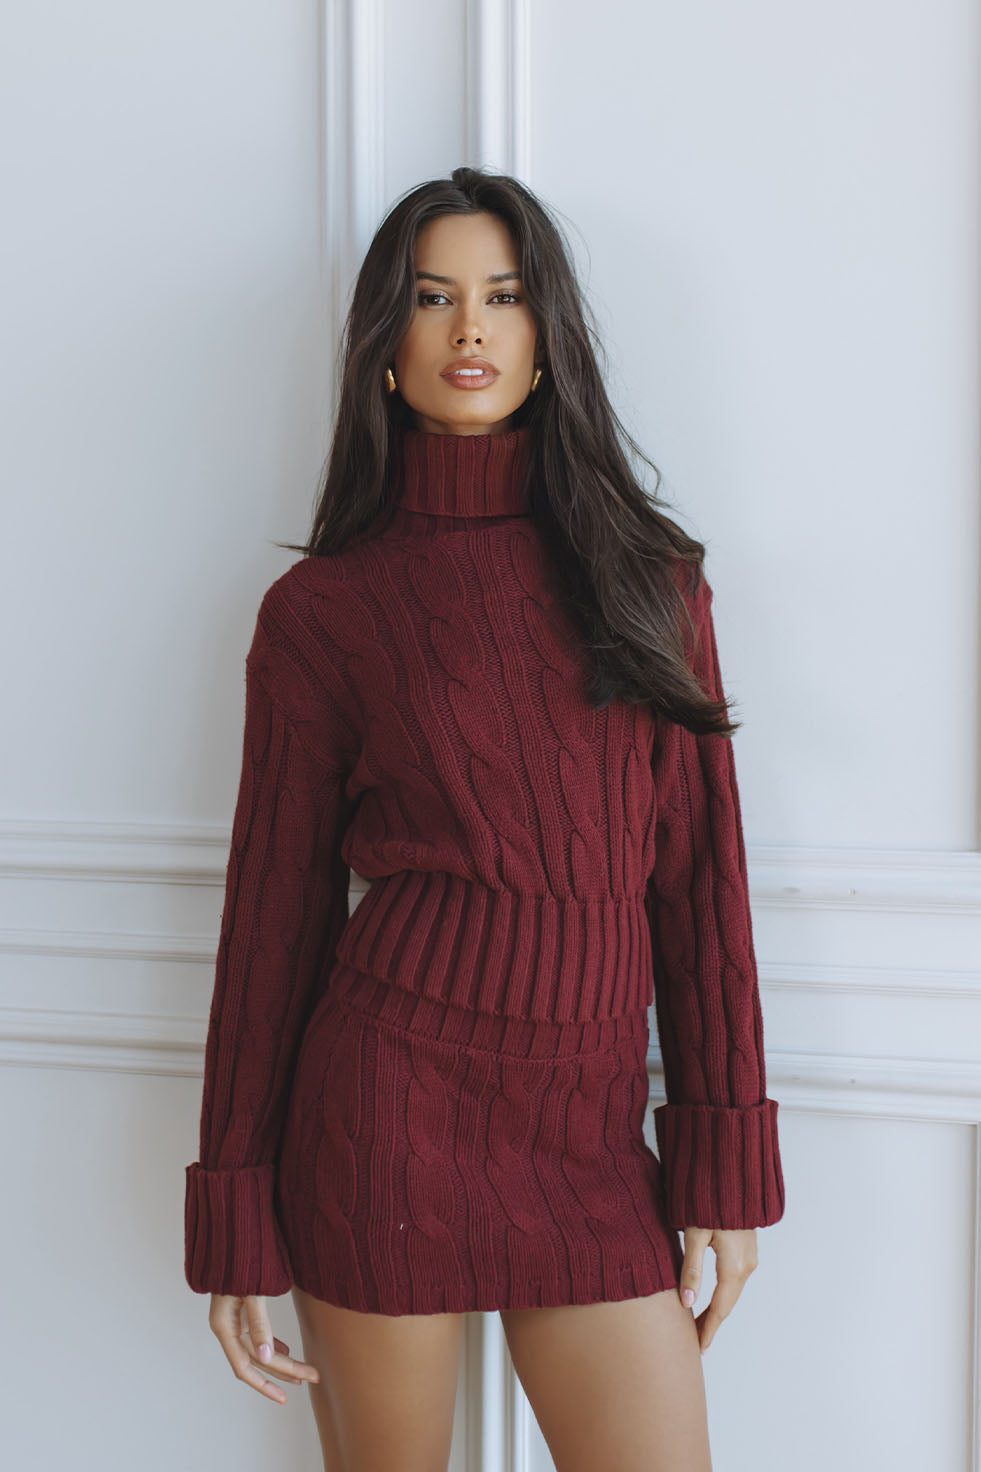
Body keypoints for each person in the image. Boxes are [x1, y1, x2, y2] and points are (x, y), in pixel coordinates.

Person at [184, 165, 785, 1472]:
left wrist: (722, 1167)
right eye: (432, 298)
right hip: (383, 1116)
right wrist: (232, 1205)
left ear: (547, 334)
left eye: (504, 297)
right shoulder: (324, 613)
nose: (469, 328)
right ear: (384, 347)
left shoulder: (653, 581)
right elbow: (272, 917)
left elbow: (700, 883)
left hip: (587, 1143)